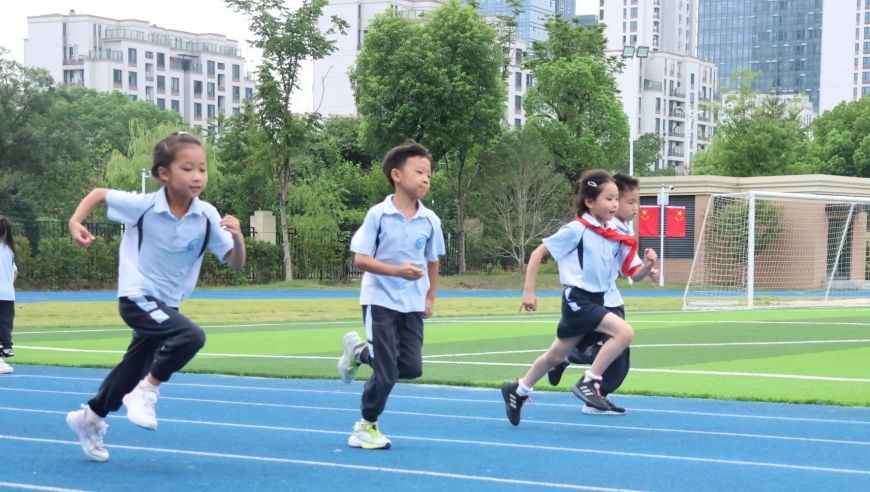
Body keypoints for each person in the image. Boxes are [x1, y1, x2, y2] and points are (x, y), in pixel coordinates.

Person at [65, 131, 246, 461]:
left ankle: (90, 417)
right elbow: (100, 193)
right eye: (188, 168)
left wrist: (238, 239)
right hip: (137, 296)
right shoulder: (144, 206)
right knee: (191, 336)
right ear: (165, 173)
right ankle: (147, 390)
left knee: (133, 367)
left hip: (167, 303)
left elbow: (234, 263)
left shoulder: (206, 216)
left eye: (202, 169)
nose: (197, 176)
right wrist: (76, 221)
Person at [501, 169, 657, 426]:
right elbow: (538, 253)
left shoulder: (614, 235)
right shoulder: (577, 229)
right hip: (577, 299)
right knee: (625, 333)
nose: (615, 204)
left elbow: (633, 273)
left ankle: (518, 390)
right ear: (589, 201)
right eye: (609, 199)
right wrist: (529, 290)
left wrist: (649, 266)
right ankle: (590, 380)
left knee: (555, 356)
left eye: (617, 198)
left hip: (596, 300)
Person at [337, 140, 445, 450]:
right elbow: (361, 259)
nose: (426, 178)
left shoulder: (430, 220)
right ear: (397, 175)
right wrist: (396, 271)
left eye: (429, 174)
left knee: (410, 368)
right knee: (386, 372)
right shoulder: (378, 215)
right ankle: (365, 425)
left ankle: (358, 353)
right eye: (419, 172)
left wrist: (430, 297)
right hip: (379, 301)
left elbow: (433, 259)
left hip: (411, 304)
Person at [546, 173, 660, 415]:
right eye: (630, 202)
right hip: (593, 300)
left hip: (610, 299)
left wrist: (648, 269)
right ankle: (579, 377)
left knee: (617, 350)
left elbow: (631, 271)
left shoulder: (621, 232)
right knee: (613, 346)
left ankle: (592, 392)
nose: (634, 207)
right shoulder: (592, 228)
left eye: (634, 202)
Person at [0, 215, 17, 374]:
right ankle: (6, 346)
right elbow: (15, 272)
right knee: (5, 323)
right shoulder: (9, 250)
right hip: (7, 293)